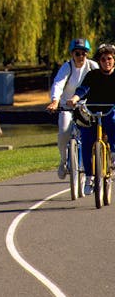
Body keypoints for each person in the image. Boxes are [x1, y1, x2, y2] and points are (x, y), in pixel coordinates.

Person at [46, 38, 98, 180]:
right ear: (72, 54)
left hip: (87, 107)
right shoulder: (67, 67)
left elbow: (102, 83)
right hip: (66, 107)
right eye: (77, 53)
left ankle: (96, 162)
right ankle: (63, 161)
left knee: (94, 135)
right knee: (64, 132)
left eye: (84, 53)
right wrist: (55, 101)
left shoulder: (93, 66)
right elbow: (58, 83)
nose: (81, 57)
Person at [68, 42, 115, 195]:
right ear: (99, 61)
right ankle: (89, 177)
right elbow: (83, 89)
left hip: (111, 110)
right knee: (87, 140)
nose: (106, 62)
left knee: (113, 122)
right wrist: (75, 98)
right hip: (93, 112)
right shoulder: (92, 75)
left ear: (114, 59)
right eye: (103, 59)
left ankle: (113, 154)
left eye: (109, 59)